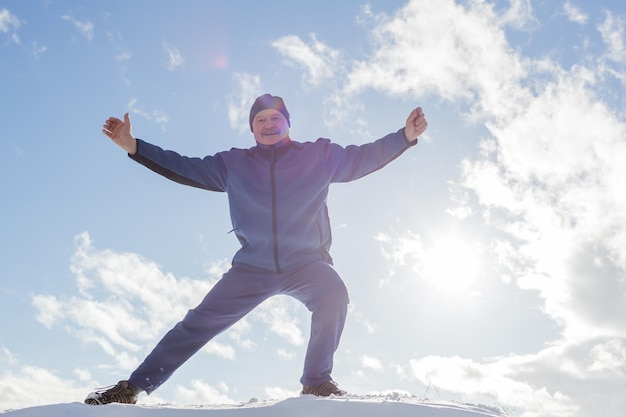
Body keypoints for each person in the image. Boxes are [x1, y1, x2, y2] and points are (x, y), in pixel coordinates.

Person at [84, 94, 428, 405]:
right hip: (252, 268)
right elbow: (182, 166)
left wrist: (404, 138)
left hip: (307, 263)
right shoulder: (232, 164)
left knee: (333, 294)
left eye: (275, 118)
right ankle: (132, 388)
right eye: (260, 120)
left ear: (288, 124)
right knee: (196, 324)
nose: (268, 124)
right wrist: (133, 145)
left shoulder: (318, 155)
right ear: (252, 128)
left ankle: (316, 382)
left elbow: (361, 158)